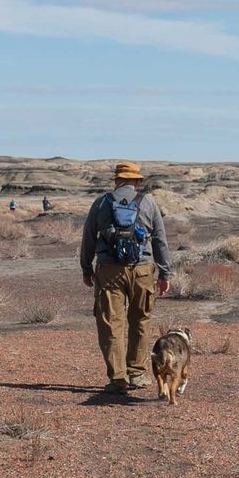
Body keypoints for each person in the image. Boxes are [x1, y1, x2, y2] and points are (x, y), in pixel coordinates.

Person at [79, 161, 171, 395]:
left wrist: (86, 269)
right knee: (140, 320)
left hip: (109, 270)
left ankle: (118, 379)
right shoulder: (148, 202)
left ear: (117, 180)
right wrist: (165, 272)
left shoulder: (101, 203)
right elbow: (160, 239)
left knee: (111, 324)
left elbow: (88, 238)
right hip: (142, 270)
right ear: (137, 181)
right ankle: (137, 374)